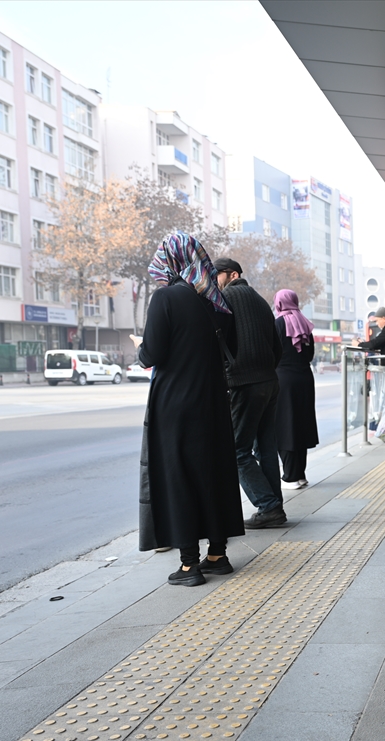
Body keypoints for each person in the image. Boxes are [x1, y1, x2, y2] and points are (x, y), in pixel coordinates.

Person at [137, 233, 244, 587]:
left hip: (175, 404)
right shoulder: (217, 303)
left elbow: (152, 354)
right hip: (213, 402)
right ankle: (217, 554)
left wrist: (140, 349)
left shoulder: (166, 297)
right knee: (213, 472)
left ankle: (188, 565)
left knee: (178, 475)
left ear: (171, 260)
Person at [214, 259, 286, 528]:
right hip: (269, 380)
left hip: (244, 382)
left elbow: (218, 339)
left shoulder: (224, 298)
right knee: (266, 446)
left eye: (217, 274)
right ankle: (274, 506)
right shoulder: (260, 300)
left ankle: (268, 506)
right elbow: (277, 346)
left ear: (232, 274)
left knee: (237, 450)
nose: (214, 279)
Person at [273, 289, 319, 488]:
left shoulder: (277, 324)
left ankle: (290, 476)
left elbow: (272, 352)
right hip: (305, 378)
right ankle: (300, 474)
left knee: (285, 426)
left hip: (284, 379)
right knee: (301, 424)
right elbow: (309, 355)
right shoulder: (306, 325)